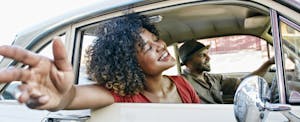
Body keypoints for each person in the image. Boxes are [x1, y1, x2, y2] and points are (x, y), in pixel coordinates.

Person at [0, 14, 200, 111]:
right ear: (129, 63)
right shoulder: (122, 96)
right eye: (146, 48)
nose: (160, 46)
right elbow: (73, 96)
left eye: (155, 39)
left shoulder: (182, 84)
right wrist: (60, 94)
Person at [179, 39, 275, 104]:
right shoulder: (181, 83)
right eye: (202, 55)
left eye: (207, 54)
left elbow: (244, 83)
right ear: (188, 62)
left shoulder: (214, 78)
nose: (209, 58)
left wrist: (268, 63)